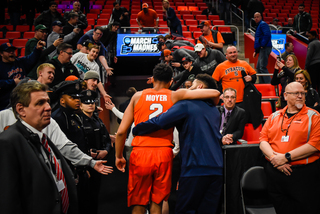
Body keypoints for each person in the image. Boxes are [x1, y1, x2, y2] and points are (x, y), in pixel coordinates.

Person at [115, 63, 220, 214]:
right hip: (164, 152)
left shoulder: (137, 96)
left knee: (138, 203)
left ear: (152, 79)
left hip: (141, 152)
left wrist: (118, 156)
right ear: (171, 81)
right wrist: (189, 89)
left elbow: (120, 132)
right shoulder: (175, 95)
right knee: (158, 202)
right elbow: (215, 93)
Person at [0, 81, 78, 214]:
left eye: (47, 101)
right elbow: (8, 200)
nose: (48, 107)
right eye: (40, 103)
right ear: (21, 110)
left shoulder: (41, 136)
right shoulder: (8, 142)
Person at [260, 81, 320, 214]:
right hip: (276, 173)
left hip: (303, 175)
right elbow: (263, 140)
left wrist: (286, 157)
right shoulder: (274, 116)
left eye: (302, 93)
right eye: (296, 93)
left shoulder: (314, 116)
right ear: (285, 96)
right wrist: (275, 158)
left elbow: (315, 144)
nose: (300, 96)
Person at [80, 90, 112, 214]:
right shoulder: (78, 121)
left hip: (98, 162)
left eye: (92, 102)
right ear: (81, 105)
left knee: (94, 196)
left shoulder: (97, 120)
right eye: (86, 103)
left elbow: (107, 139)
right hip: (84, 165)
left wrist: (106, 151)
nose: (90, 105)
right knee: (84, 199)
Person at [0, 42, 44, 110]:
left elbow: (32, 59)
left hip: (24, 99)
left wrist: (37, 49)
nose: (11, 52)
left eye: (13, 51)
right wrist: (13, 82)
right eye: (8, 51)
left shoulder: (20, 62)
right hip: (6, 103)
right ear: (1, 53)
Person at [253, 12, 272, 83]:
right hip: (262, 48)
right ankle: (262, 83)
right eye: (255, 17)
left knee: (262, 67)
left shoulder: (263, 24)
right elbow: (259, 39)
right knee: (258, 67)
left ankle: (269, 84)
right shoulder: (259, 26)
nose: (256, 18)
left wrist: (262, 45)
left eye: (257, 17)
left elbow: (267, 35)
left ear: (261, 17)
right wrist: (256, 50)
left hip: (265, 48)